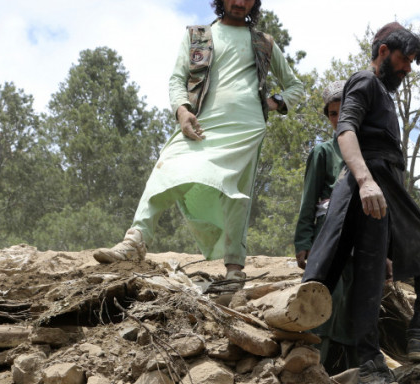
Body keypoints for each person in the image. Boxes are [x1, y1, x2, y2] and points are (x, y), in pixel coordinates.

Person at [93, 0, 302, 285]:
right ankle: (134, 243)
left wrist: (273, 103)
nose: (240, 2)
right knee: (167, 168)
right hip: (202, 123)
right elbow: (177, 79)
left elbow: (295, 86)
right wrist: (182, 111)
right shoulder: (197, 36)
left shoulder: (264, 43)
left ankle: (234, 268)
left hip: (246, 128)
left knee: (236, 195)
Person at [302, 22, 420, 384]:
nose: (407, 68)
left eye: (413, 62)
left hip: (383, 191)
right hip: (365, 184)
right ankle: (321, 355)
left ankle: (395, 349)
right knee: (327, 274)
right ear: (383, 51)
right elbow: (346, 130)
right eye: (404, 59)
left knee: (391, 272)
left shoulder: (385, 95)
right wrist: (365, 179)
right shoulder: (365, 81)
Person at [293, 80, 354, 373]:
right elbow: (309, 200)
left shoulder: (367, 152)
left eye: (344, 112)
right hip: (327, 233)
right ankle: (315, 368)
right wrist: (304, 241)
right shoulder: (323, 153)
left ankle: (347, 372)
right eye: (332, 113)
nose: (338, 118)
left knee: (352, 301)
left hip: (359, 236)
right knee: (330, 294)